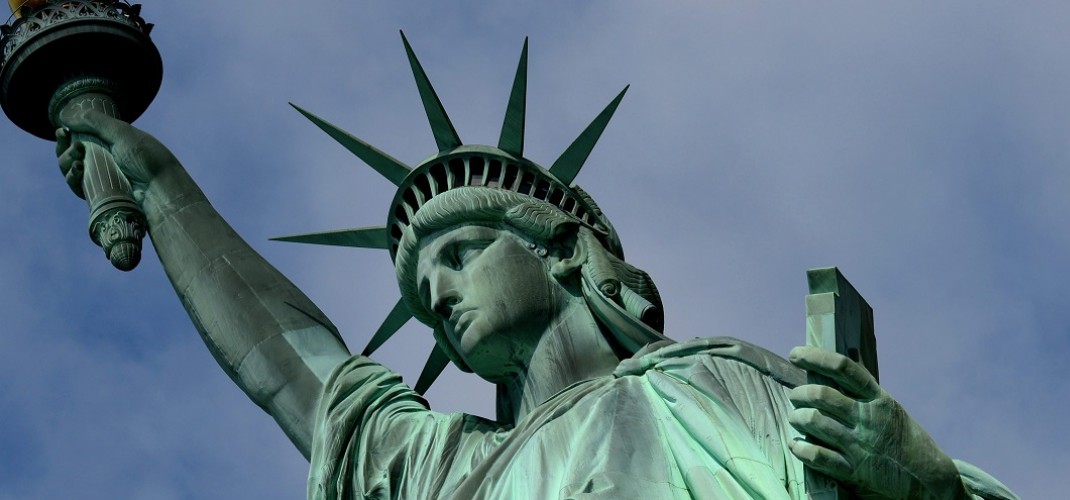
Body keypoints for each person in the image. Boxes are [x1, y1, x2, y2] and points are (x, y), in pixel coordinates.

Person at [54, 39, 1019, 500]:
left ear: (561, 250)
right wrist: (158, 184)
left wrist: (923, 487)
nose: (435, 294)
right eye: (420, 295)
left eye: (460, 253)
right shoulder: (454, 473)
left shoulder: (711, 386)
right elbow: (292, 371)